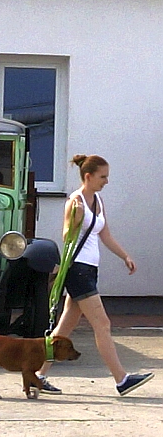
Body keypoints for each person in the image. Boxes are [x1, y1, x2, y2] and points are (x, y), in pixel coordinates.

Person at [34, 154, 154, 396]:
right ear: (88, 177)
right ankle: (122, 380)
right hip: (78, 271)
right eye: (103, 177)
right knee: (103, 324)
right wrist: (76, 219)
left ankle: (37, 374)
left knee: (63, 329)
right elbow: (67, 236)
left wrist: (125, 256)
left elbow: (105, 234)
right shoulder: (74, 202)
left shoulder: (98, 200)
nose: (106, 181)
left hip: (89, 269)